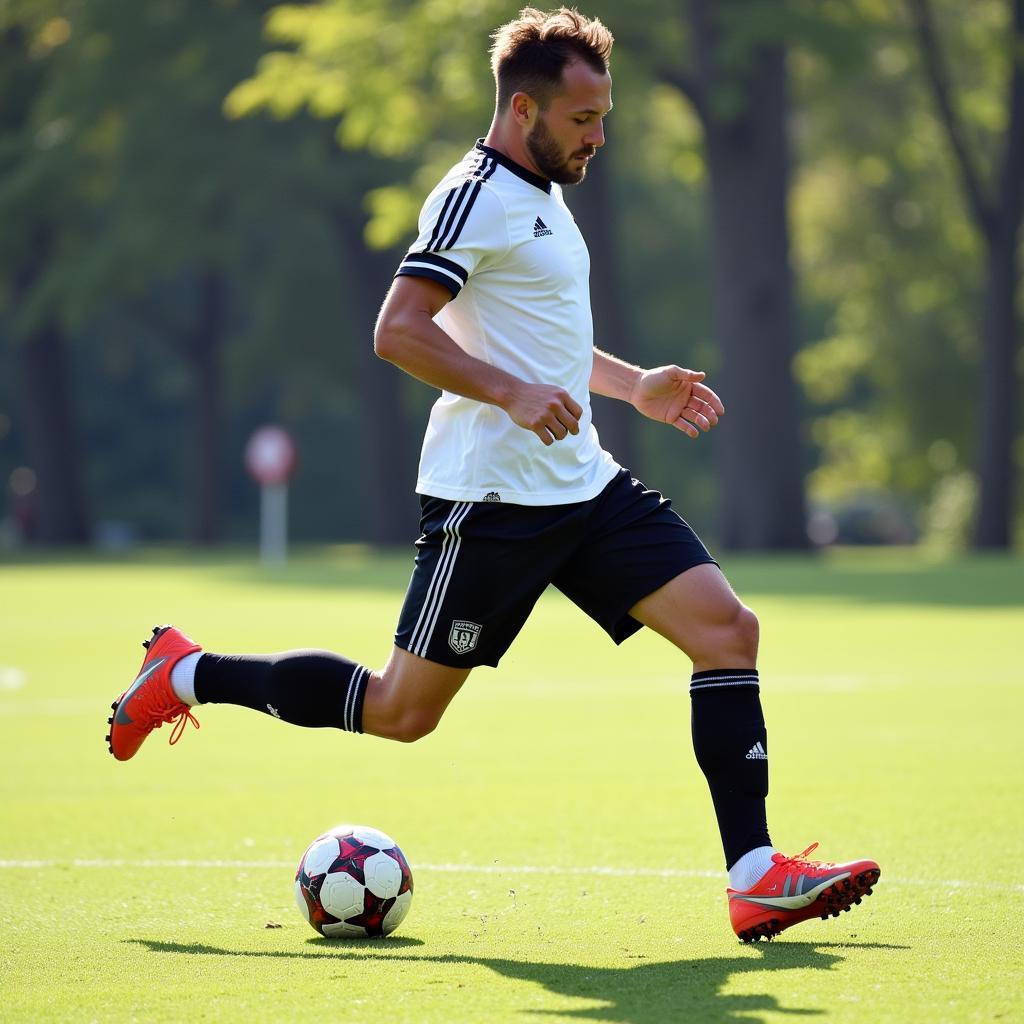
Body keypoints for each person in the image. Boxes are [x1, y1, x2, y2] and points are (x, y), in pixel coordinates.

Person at [105, 6, 879, 943]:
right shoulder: (472, 194)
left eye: (603, 116)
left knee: (727, 629)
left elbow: (539, 334)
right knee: (400, 713)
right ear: (523, 111)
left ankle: (755, 875)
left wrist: (634, 387)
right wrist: (510, 394)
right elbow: (398, 330)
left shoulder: (547, 195)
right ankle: (186, 673)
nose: (600, 135)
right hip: (493, 501)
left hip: (582, 484)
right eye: (584, 119)